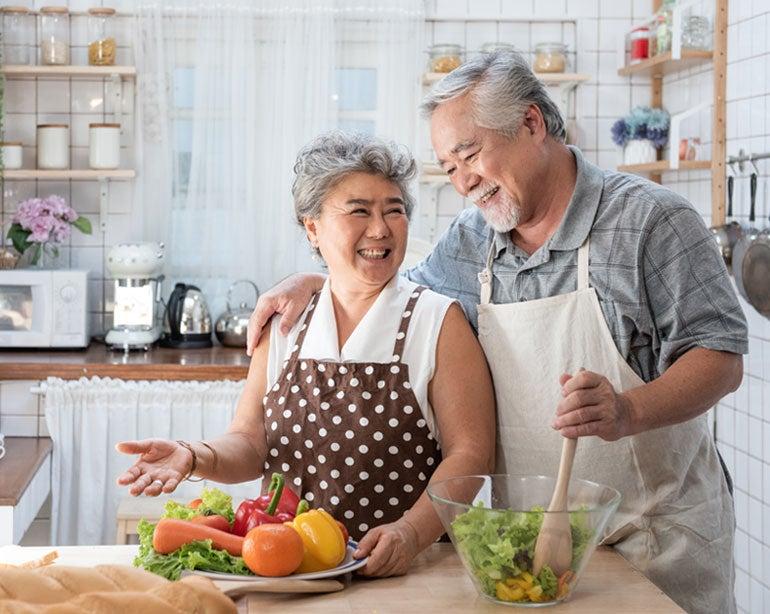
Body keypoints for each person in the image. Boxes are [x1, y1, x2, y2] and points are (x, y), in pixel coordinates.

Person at [245, 50, 747, 613]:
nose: (463, 183)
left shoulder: (651, 222)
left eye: (469, 155)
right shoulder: (472, 239)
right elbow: (385, 287)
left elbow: (721, 357)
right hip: (531, 546)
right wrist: (312, 276)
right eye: (449, 168)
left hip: (654, 540)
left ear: (531, 124)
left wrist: (627, 411)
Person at [116, 131, 496, 578]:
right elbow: (250, 442)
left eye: (394, 210)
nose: (381, 228)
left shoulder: (436, 320)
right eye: (359, 211)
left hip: (408, 571)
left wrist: (409, 534)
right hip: (290, 570)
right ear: (312, 227)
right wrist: (192, 454)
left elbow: (471, 455)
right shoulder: (287, 322)